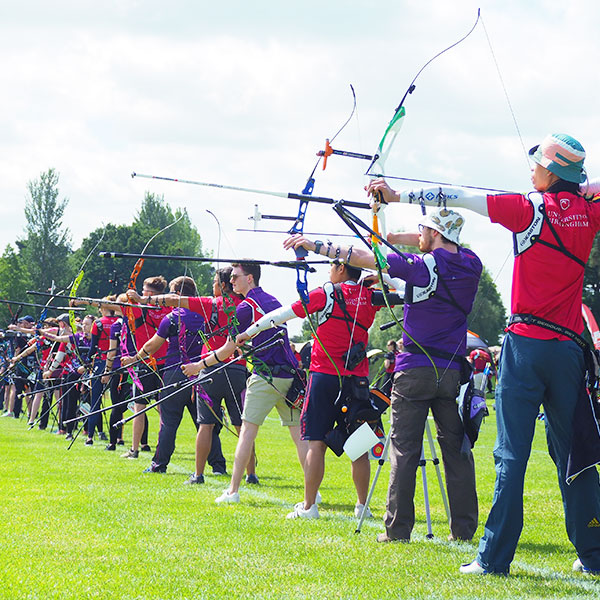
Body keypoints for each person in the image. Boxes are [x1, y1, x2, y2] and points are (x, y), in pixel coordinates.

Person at [367, 133, 600, 573]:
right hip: (569, 349)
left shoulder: (529, 208)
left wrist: (396, 195)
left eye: (537, 164)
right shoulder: (589, 212)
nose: (530, 170)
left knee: (511, 454)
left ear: (551, 171)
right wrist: (582, 189)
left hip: (527, 346)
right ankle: (593, 555)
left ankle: (493, 560)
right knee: (575, 452)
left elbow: (458, 197)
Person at [288, 206, 482, 540]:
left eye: (423, 231)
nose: (417, 236)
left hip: (415, 371)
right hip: (451, 371)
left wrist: (315, 245)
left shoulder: (422, 268)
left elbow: (363, 257)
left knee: (404, 449)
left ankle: (397, 530)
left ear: (434, 234)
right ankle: (463, 529)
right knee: (456, 450)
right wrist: (390, 237)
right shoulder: (471, 263)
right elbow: (427, 242)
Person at [236, 257, 387, 519]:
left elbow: (283, 314)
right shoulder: (369, 295)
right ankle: (363, 507)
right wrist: (377, 277)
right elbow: (403, 286)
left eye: (332, 265)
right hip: (356, 380)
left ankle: (309, 508)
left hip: (324, 377)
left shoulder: (326, 292)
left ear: (341, 268)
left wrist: (249, 332)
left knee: (316, 442)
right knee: (359, 445)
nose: (329, 270)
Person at [181, 262, 307, 504]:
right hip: (290, 376)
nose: (231, 282)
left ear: (250, 278)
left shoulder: (245, 308)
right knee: (298, 436)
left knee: (247, 433)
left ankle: (232, 492)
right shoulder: (274, 301)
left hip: (265, 377)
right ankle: (313, 493)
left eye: (235, 277)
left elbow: (229, 348)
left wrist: (199, 366)